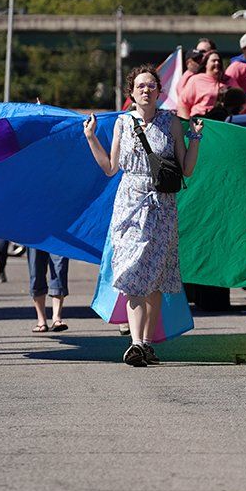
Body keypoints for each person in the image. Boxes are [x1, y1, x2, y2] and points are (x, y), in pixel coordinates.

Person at [83, 65, 203, 366]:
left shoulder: (171, 122)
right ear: (132, 92)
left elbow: (187, 169)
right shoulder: (122, 123)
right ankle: (136, 343)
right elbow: (110, 168)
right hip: (129, 207)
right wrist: (91, 138)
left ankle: (147, 344)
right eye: (141, 86)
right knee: (132, 273)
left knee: (155, 279)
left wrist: (195, 139)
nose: (146, 90)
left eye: (151, 85)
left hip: (162, 208)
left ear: (159, 91)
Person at [178, 50, 230, 119]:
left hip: (222, 121)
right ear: (206, 64)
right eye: (213, 61)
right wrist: (186, 122)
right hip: (201, 120)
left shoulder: (228, 80)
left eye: (219, 61)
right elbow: (183, 103)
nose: (217, 63)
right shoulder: (196, 80)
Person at [26, 249, 69, 333]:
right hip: (35, 240)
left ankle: (56, 318)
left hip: (59, 239)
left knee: (60, 269)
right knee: (36, 271)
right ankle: (41, 321)